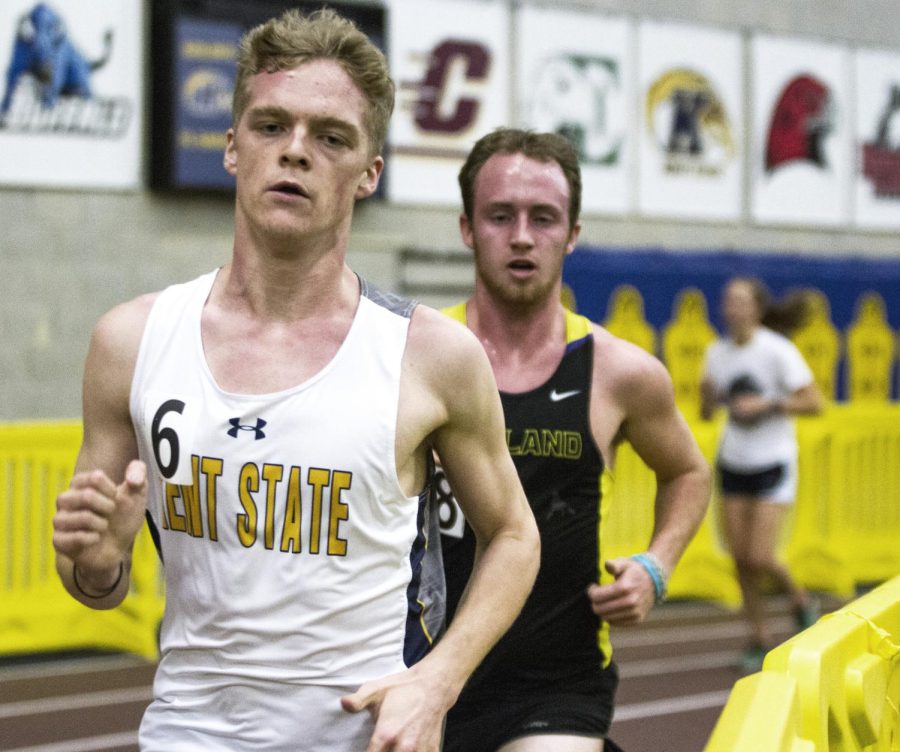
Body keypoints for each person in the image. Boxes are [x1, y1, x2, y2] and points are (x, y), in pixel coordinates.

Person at [50, 10, 539, 752]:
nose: (295, 152)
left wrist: (439, 680)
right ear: (231, 146)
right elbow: (93, 581)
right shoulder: (132, 340)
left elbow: (513, 534)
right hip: (187, 733)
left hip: (361, 738)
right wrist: (97, 560)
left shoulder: (430, 354)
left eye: (331, 136)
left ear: (369, 171)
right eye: (270, 126)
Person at [436, 128, 712, 752]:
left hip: (555, 685)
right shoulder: (413, 355)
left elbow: (689, 472)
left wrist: (656, 565)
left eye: (544, 218)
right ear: (467, 228)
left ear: (573, 234)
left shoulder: (620, 373)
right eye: (500, 216)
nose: (523, 236)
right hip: (420, 671)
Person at [700, 277, 823, 673]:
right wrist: (707, 396)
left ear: (756, 308)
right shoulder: (715, 353)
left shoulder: (777, 350)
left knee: (760, 555)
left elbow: (813, 402)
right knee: (739, 559)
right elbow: (707, 411)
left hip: (773, 460)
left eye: (739, 301)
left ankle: (801, 599)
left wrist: (766, 405)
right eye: (727, 301)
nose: (731, 308)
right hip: (734, 460)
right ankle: (759, 638)